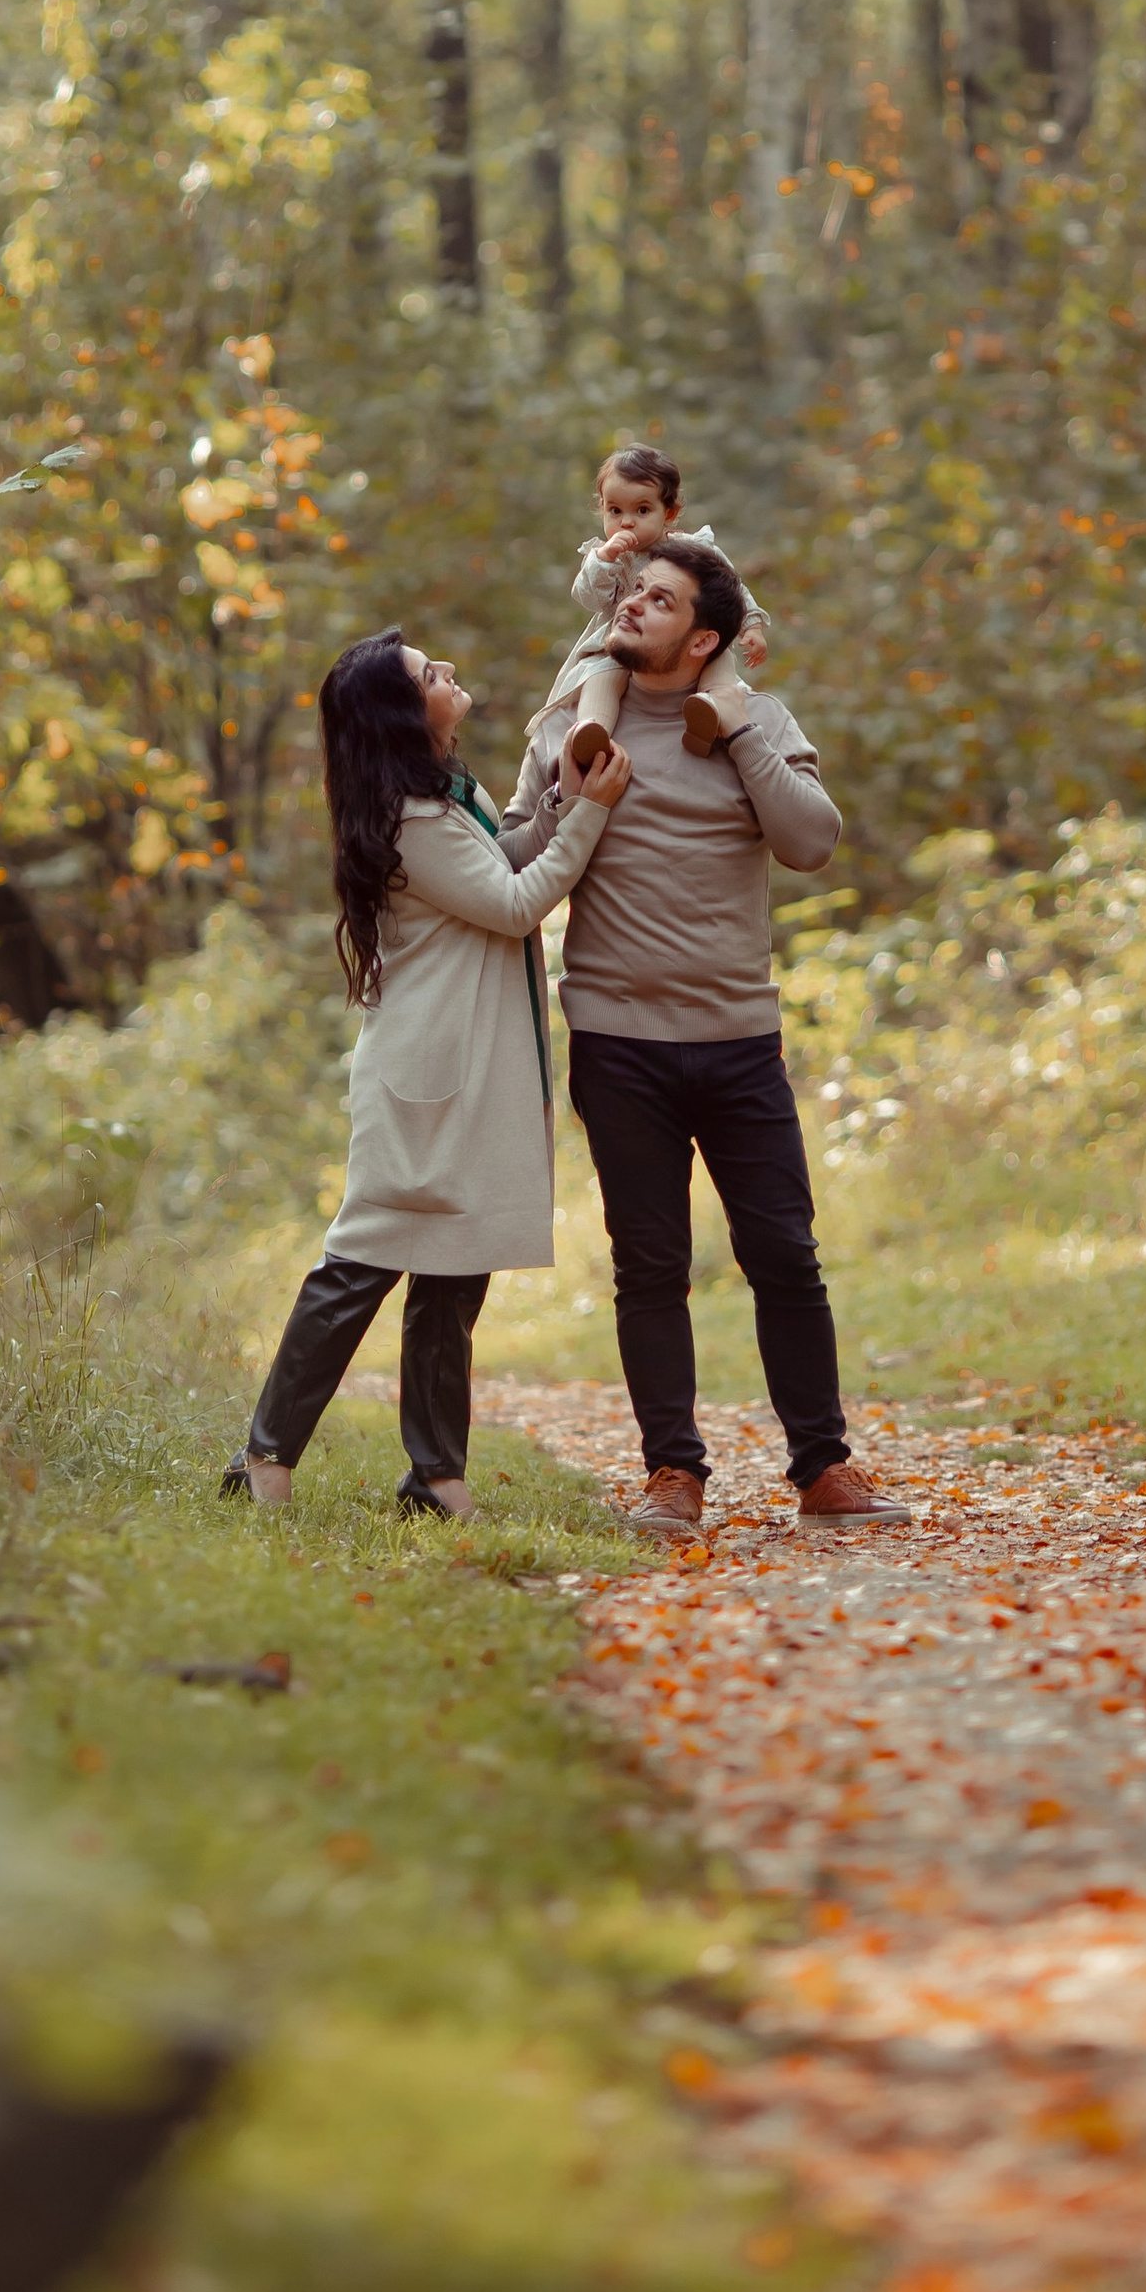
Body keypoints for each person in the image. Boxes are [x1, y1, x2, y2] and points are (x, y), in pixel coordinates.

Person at [508, 535, 910, 1539]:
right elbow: (514, 847)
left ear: (705, 638)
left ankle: (822, 1468)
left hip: (736, 1039)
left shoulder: (757, 720)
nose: (632, 606)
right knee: (649, 1265)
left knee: (783, 1253)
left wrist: (733, 734)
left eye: (659, 597)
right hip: (617, 1037)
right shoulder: (570, 720)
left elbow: (811, 841)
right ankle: (671, 1476)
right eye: (630, 592)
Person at [225, 627, 631, 1519]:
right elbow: (520, 904)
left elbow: (509, 857)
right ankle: (264, 1454)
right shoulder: (412, 820)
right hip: (427, 1075)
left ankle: (435, 1476)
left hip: (468, 1067)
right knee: (361, 1264)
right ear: (404, 715)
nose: (450, 672)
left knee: (457, 1266)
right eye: (429, 675)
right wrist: (594, 810)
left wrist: (561, 798)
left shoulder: (446, 794)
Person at [547, 440, 769, 767]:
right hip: (622, 639)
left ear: (670, 513)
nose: (626, 522)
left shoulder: (692, 550)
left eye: (642, 510)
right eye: (615, 511)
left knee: (717, 658)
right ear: (602, 508)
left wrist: (752, 624)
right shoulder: (611, 558)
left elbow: (729, 588)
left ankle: (708, 713)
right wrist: (605, 560)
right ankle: (591, 732)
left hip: (683, 639)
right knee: (599, 675)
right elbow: (589, 599)